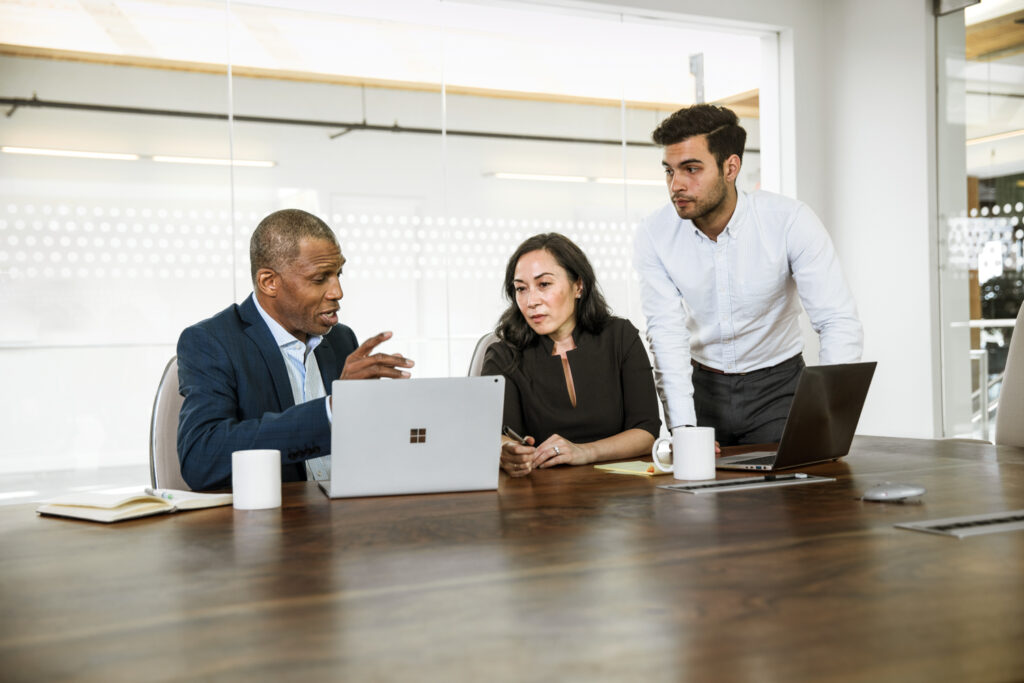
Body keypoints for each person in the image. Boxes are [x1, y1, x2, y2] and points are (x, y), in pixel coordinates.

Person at [633, 104, 863, 447]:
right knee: (700, 498)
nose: (676, 185)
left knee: (796, 494)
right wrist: (682, 429)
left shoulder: (790, 221)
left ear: (731, 167)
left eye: (691, 169)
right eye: (669, 171)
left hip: (779, 389)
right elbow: (665, 333)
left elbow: (837, 320)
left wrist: (824, 414)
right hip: (702, 390)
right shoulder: (654, 233)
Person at [176, 209, 414, 491]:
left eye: (338, 274)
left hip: (345, 513)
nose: (337, 291)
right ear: (269, 282)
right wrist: (332, 409)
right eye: (319, 278)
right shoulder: (212, 341)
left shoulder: (341, 340)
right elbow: (202, 458)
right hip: (273, 522)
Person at [482, 233, 660, 477]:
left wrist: (586, 452)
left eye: (544, 284)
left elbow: (646, 431)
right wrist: (506, 449)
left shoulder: (620, 337)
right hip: (539, 494)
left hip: (619, 492)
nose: (531, 301)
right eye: (521, 289)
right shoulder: (503, 354)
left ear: (578, 286)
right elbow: (495, 434)